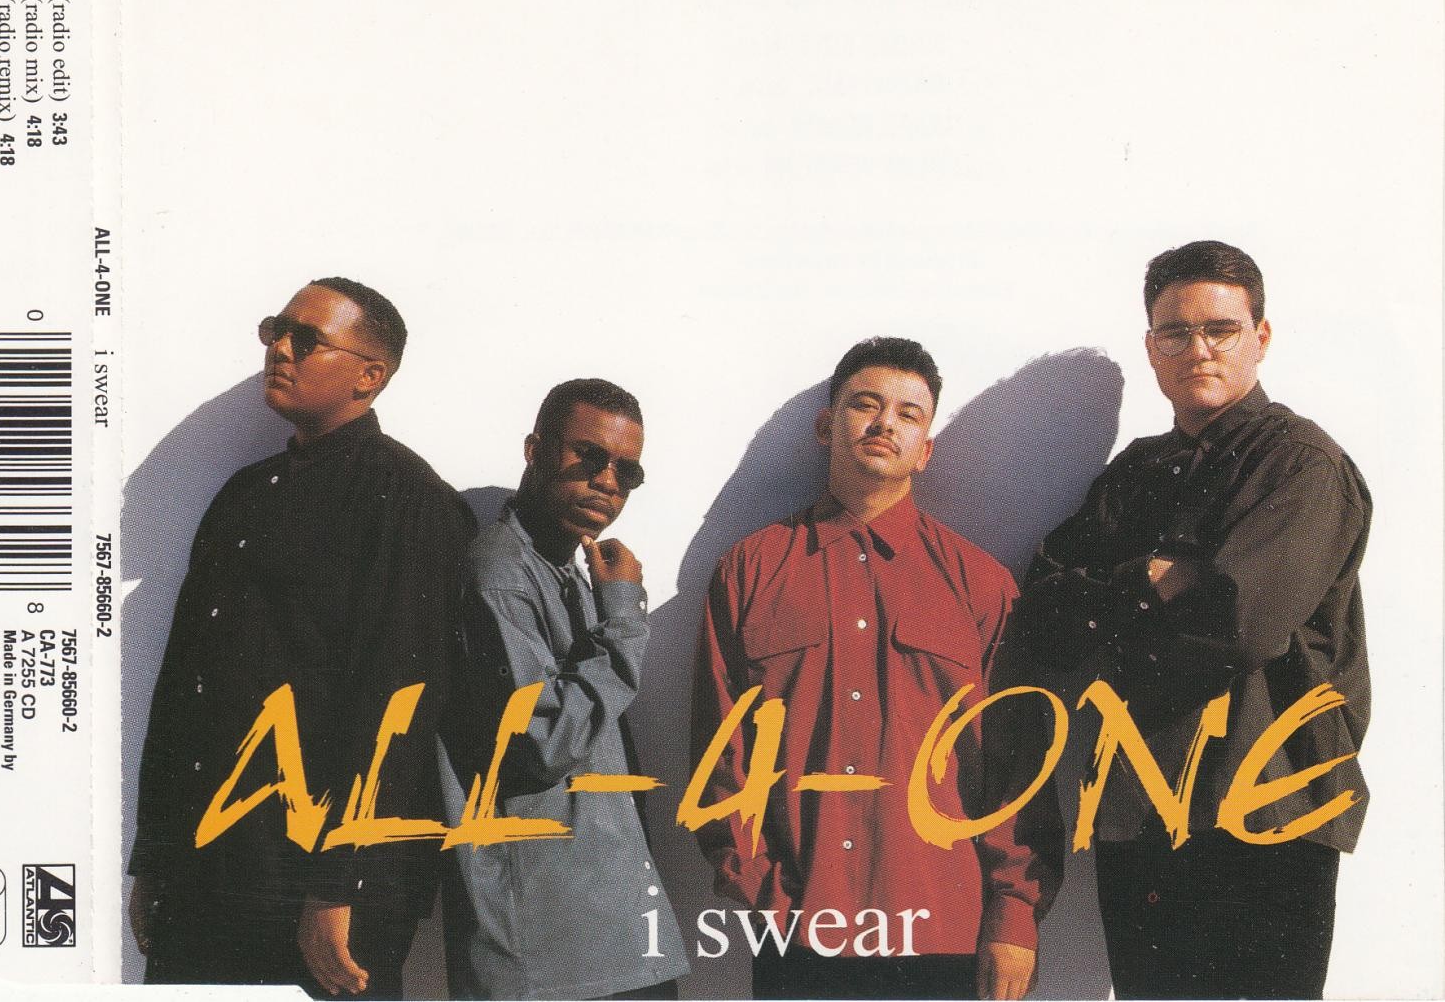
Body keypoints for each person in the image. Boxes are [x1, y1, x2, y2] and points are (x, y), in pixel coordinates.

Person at [1004, 240, 1371, 999]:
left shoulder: (1300, 463)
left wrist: (1116, 608)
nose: (1197, 349)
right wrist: (1149, 580)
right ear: (1152, 348)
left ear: (1260, 336)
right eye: (1176, 332)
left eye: (1220, 329)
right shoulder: (1134, 474)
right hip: (1137, 815)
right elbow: (1039, 615)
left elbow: (1236, 627)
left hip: (1264, 810)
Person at [128, 278, 476, 998]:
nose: (279, 349)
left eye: (306, 339)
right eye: (275, 330)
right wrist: (155, 861)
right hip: (209, 875)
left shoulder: (408, 499)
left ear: (368, 375)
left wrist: (339, 887)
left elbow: (399, 706)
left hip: (318, 891)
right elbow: (185, 686)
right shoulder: (243, 495)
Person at [692, 337, 1058, 1001]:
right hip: (801, 934)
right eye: (866, 404)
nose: (885, 422)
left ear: (925, 450)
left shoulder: (980, 586)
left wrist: (1014, 915)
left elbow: (1017, 768)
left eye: (908, 414)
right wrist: (765, 891)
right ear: (826, 425)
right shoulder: (750, 570)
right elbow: (722, 754)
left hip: (943, 936)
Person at [438, 378, 690, 1000]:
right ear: (534, 451)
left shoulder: (570, 572)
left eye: (627, 472)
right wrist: (623, 618)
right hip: (551, 950)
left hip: (608, 929)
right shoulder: (500, 572)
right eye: (588, 456)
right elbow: (542, 741)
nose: (607, 481)